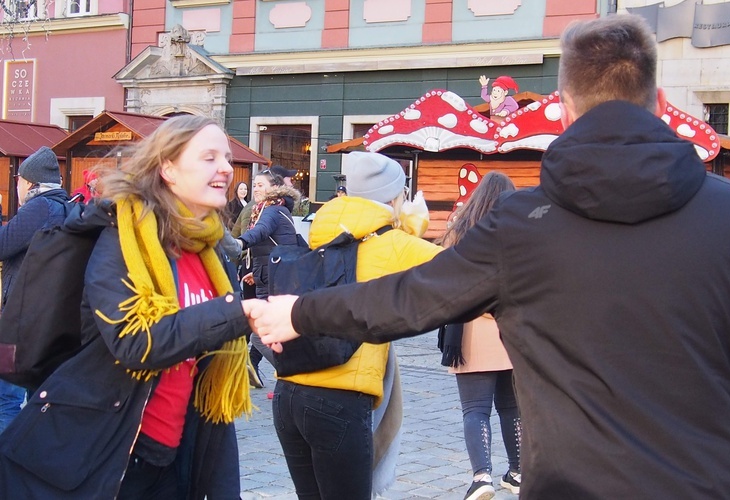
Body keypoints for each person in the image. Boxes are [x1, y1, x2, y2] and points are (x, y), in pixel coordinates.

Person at [250, 15, 730, 499]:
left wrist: (298, 312)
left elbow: (405, 300)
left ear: (567, 110)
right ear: (660, 102)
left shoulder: (521, 227)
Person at [0, 115, 255, 498]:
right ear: (167, 167)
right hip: (102, 455)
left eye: (226, 157)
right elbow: (134, 342)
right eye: (209, 157)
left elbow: (206, 375)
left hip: (169, 458)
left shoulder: (210, 253)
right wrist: (238, 313)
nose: (225, 168)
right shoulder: (122, 236)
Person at [269, 151, 441, 499]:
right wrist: (413, 225)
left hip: (288, 394)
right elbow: (466, 275)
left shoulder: (320, 230)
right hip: (340, 400)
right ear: (395, 198)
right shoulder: (395, 245)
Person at [437, 171, 521, 499]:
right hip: (511, 332)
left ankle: (482, 477)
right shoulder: (520, 232)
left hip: (470, 331)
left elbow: (445, 279)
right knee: (512, 408)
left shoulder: (460, 233)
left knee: (475, 409)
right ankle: (517, 472)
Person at [0, 146, 70, 434]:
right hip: (46, 320)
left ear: (29, 182)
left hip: (21, 320)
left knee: (6, 396)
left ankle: (8, 468)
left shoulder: (41, 207)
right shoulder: (66, 206)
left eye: (18, 179)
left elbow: (3, 246)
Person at [237, 169, 301, 385]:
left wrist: (240, 242)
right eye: (254, 184)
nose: (255, 188)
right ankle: (291, 375)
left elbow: (261, 233)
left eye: (260, 185)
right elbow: (270, 248)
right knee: (267, 332)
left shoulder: (271, 211)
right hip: (271, 276)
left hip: (276, 280)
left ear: (274, 189)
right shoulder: (267, 209)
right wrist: (255, 274)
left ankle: (293, 374)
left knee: (260, 334)